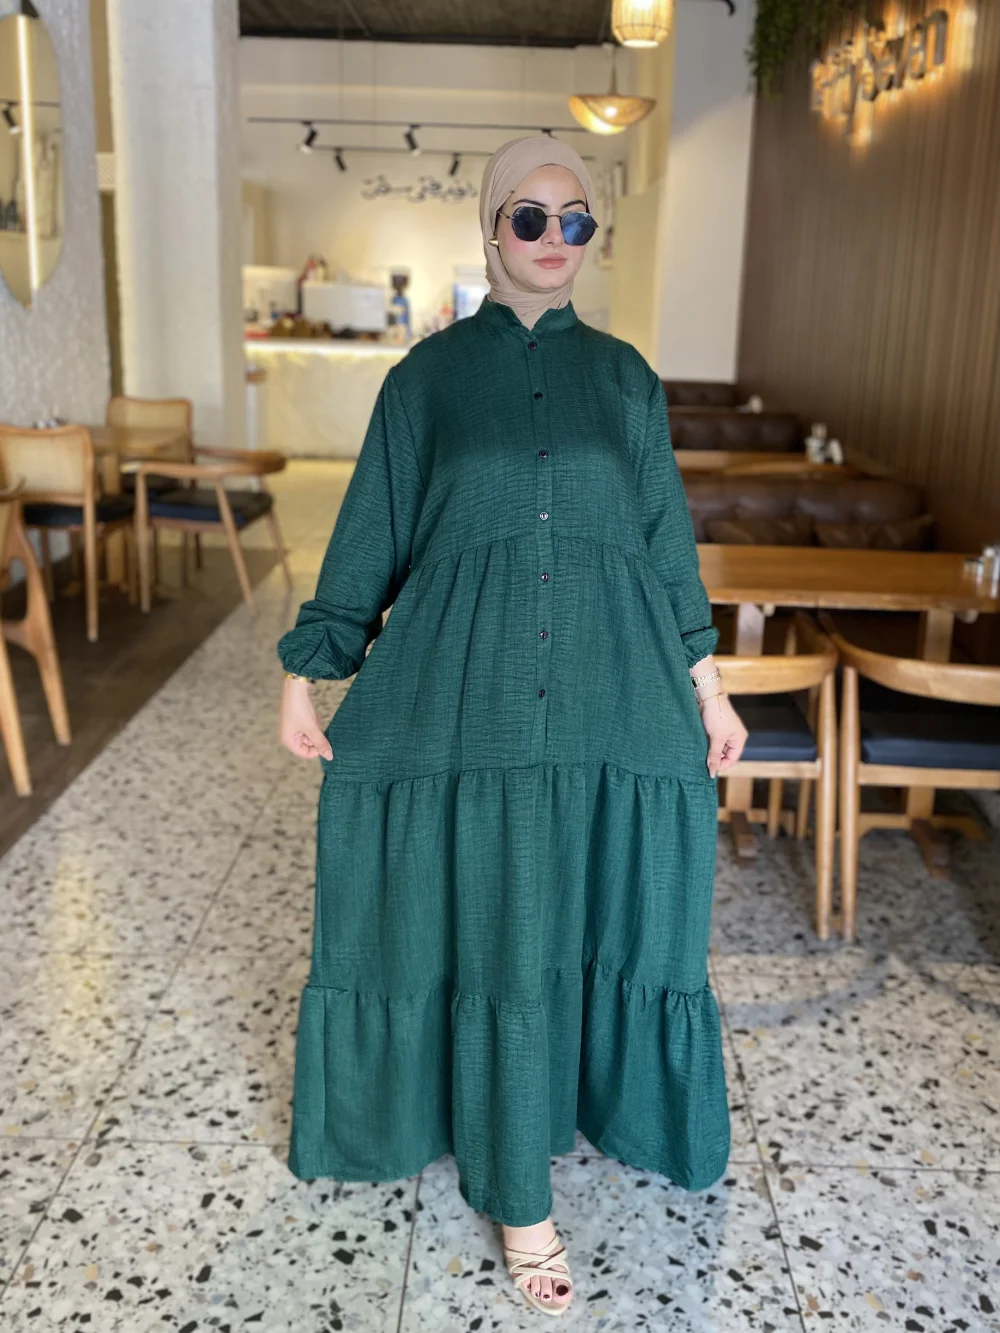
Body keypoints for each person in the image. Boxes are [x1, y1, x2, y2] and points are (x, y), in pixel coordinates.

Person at [278, 134, 748, 1317]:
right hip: (463, 698)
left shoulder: (626, 379)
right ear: (491, 229)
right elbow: (372, 535)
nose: (551, 238)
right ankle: (515, 1191)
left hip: (607, 691)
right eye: (527, 217)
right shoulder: (426, 381)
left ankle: (595, 1104)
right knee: (497, 922)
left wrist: (708, 683)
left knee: (595, 909)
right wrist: (309, 668)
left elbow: (664, 541)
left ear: (592, 235)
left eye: (573, 218)